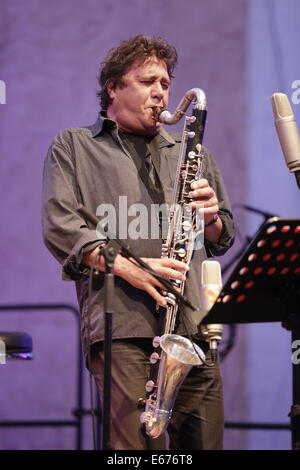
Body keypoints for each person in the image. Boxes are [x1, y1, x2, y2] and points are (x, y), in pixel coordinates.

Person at [42, 34, 234, 450]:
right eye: (148, 81)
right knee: (135, 453)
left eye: (165, 83)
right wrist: (132, 268)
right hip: (124, 330)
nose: (161, 92)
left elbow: (223, 234)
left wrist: (212, 217)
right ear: (113, 87)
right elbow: (61, 225)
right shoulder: (73, 146)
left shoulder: (191, 150)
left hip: (192, 330)